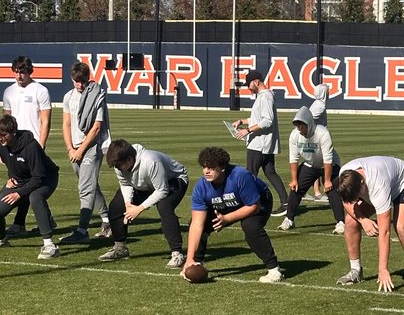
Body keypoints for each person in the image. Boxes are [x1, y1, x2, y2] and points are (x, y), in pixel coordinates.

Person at [182, 145, 284, 283]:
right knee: (202, 224)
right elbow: (196, 223)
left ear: (222, 167)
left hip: (258, 202)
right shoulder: (201, 186)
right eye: (204, 167)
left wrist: (227, 218)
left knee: (250, 226)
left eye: (211, 167)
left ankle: (274, 269)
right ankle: (196, 263)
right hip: (226, 204)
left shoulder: (240, 176)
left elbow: (253, 206)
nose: (206, 171)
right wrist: (189, 258)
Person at [335, 157, 404, 292]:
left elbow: (384, 232)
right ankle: (355, 270)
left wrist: (382, 269)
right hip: (381, 182)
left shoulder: (378, 186)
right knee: (350, 221)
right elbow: (347, 202)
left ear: (362, 183)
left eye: (358, 195)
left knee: (401, 226)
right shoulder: (345, 176)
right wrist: (363, 220)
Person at [0, 114, 60, 260]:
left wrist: (19, 193)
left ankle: (49, 244)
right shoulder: (0, 145)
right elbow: (12, 163)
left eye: (3, 135)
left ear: (13, 133)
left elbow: (38, 177)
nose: (0, 138)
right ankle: (1, 240)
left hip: (45, 178)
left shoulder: (31, 147)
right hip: (21, 181)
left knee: (35, 198)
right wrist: (10, 178)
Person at [99, 139, 189, 267]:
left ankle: (177, 254)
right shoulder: (118, 164)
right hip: (144, 185)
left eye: (119, 166)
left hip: (173, 180)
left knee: (164, 207)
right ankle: (120, 248)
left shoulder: (151, 161)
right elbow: (125, 184)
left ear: (130, 159)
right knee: (116, 207)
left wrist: (139, 208)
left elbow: (162, 190)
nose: (117, 169)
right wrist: (128, 204)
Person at [59, 61, 111, 244]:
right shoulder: (68, 97)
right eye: (76, 81)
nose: (79, 85)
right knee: (89, 185)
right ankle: (107, 220)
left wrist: (80, 150)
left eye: (82, 81)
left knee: (85, 188)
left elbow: (97, 127)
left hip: (91, 147)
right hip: (74, 149)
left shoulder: (97, 96)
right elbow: (66, 123)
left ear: (87, 79)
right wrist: (70, 148)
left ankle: (82, 230)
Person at [2, 56, 53, 237]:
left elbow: (45, 120)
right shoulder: (9, 91)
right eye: (16, 71)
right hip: (15, 145)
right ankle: (36, 220)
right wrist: (4, 147)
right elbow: (5, 121)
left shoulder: (40, 90)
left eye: (22, 71)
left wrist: (41, 144)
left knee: (32, 182)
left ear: (30, 71)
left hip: (32, 145)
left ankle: (20, 223)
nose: (19, 75)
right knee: (22, 181)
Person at [279, 106, 345, 234]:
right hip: (310, 164)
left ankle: (340, 222)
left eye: (301, 125)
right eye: (297, 125)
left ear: (308, 123)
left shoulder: (323, 133)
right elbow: (293, 158)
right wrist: (294, 180)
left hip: (329, 165)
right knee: (296, 188)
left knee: (331, 191)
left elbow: (328, 158)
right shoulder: (294, 135)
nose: (299, 128)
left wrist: (326, 181)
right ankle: (289, 219)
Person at [233, 68, 288, 214]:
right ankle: (286, 202)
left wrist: (248, 130)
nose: (247, 87)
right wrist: (242, 121)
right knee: (270, 172)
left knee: (250, 174)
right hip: (263, 143)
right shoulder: (263, 96)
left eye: (248, 84)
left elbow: (267, 121)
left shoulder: (265, 97)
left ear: (256, 82)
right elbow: (258, 119)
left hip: (259, 144)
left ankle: (249, 204)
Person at [308, 82, 329, 200]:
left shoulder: (317, 103)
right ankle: (318, 192)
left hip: (317, 137)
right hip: (319, 138)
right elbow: (310, 119)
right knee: (320, 164)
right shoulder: (320, 105)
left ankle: (317, 191)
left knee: (316, 164)